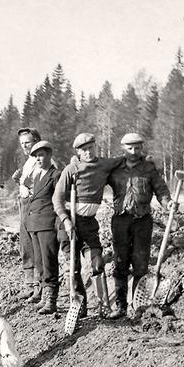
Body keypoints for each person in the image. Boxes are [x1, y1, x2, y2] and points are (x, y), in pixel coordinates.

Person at [53, 133, 123, 318]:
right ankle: (79, 305)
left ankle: (103, 305)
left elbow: (123, 160)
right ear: (78, 151)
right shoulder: (71, 169)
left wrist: (141, 160)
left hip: (89, 223)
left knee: (97, 262)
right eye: (84, 150)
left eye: (91, 147)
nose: (88, 152)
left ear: (95, 146)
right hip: (68, 222)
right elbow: (57, 198)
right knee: (73, 266)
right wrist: (66, 221)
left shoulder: (103, 165)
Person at [107, 133, 175, 319]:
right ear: (123, 148)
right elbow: (93, 175)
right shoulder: (114, 168)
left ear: (142, 148)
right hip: (121, 221)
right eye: (130, 148)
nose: (134, 152)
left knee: (140, 264)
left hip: (142, 222)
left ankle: (138, 306)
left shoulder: (149, 169)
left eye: (137, 148)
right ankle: (120, 306)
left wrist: (167, 202)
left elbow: (161, 190)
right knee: (120, 263)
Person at [23, 141, 60, 315]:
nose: (38, 159)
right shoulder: (37, 176)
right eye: (36, 156)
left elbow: (60, 199)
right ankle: (44, 296)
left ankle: (51, 299)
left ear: (49, 155)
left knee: (49, 261)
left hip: (47, 224)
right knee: (39, 262)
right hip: (34, 224)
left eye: (41, 155)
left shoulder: (56, 175)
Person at [9, 127, 42, 300]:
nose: (24, 146)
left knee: (35, 244)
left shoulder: (41, 160)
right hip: (24, 204)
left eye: (27, 142)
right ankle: (29, 285)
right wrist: (19, 181)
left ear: (36, 141)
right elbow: (26, 185)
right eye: (22, 143)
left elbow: (41, 185)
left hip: (35, 205)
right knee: (25, 243)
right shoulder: (29, 161)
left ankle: (38, 286)